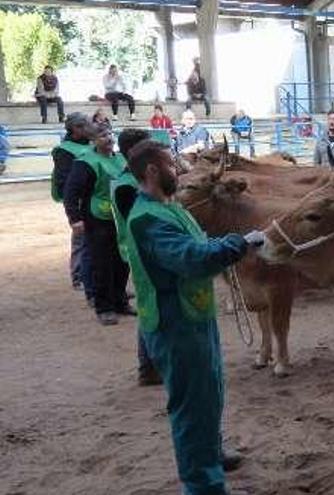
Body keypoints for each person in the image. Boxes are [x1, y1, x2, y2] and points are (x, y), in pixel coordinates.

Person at [124, 139, 259, 495]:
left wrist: (227, 246)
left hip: (193, 314)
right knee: (192, 407)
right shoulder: (148, 219)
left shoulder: (169, 206)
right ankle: (203, 486)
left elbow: (199, 245)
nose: (179, 169)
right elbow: (192, 257)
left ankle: (210, 454)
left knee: (209, 391)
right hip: (175, 324)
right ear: (152, 171)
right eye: (171, 163)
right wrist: (238, 244)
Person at [63, 126, 134, 325]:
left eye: (111, 134)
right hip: (97, 218)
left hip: (120, 217)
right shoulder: (86, 162)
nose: (109, 138)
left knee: (123, 259)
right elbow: (71, 192)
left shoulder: (120, 159)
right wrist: (74, 218)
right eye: (103, 136)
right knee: (102, 263)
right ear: (93, 140)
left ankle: (120, 302)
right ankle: (104, 307)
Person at [113, 128, 162, 386]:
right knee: (150, 306)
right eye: (148, 147)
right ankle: (148, 367)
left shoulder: (134, 180)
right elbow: (145, 222)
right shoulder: (126, 186)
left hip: (148, 249)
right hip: (142, 251)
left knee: (152, 304)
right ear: (133, 152)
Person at [51, 113, 95, 300]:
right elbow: (64, 181)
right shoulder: (65, 151)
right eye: (85, 126)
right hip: (78, 201)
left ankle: (95, 277)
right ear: (76, 129)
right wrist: (73, 212)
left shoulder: (90, 145)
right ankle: (78, 276)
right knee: (81, 239)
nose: (90, 128)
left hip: (95, 200)